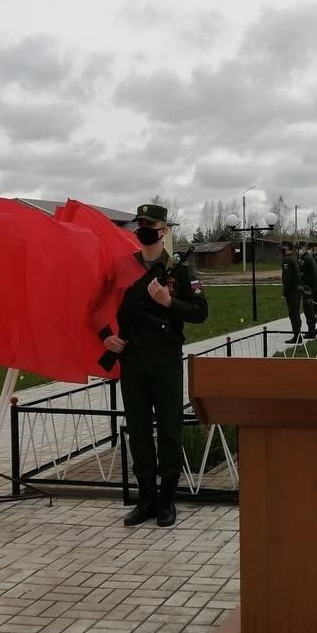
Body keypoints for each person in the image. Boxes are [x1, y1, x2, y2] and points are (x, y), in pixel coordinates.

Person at [101, 203, 208, 528]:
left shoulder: (180, 270)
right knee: (138, 431)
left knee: (170, 432)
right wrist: (106, 337)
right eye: (141, 224)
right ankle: (145, 498)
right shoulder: (122, 267)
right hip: (133, 360)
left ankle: (167, 500)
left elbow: (200, 312)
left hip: (165, 361)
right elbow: (97, 306)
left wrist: (168, 302)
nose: (145, 229)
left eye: (152, 224)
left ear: (164, 230)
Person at [279, 240, 303, 343]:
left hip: (292, 291)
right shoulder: (294, 258)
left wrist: (285, 293)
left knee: (293, 314)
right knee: (296, 313)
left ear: (287, 247)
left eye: (283, 247)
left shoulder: (287, 260)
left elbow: (287, 279)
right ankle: (298, 335)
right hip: (296, 290)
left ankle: (297, 336)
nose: (281, 249)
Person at [299, 242, 317, 338]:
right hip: (310, 287)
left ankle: (311, 331)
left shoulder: (305, 259)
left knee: (308, 310)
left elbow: (300, 272)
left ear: (304, 248)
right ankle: (311, 330)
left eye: (300, 248)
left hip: (307, 288)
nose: (299, 250)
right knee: (309, 309)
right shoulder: (308, 258)